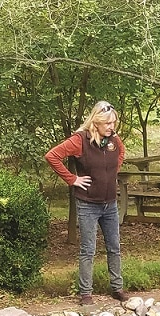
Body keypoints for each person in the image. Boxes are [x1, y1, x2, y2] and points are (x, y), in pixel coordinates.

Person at [45, 100, 130, 305]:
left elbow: (121, 153)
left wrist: (110, 174)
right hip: (87, 204)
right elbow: (52, 156)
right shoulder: (79, 140)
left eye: (114, 123)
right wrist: (73, 179)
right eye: (108, 123)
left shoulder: (112, 140)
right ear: (96, 121)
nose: (112, 127)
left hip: (110, 204)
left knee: (114, 247)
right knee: (88, 249)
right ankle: (86, 293)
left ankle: (117, 288)